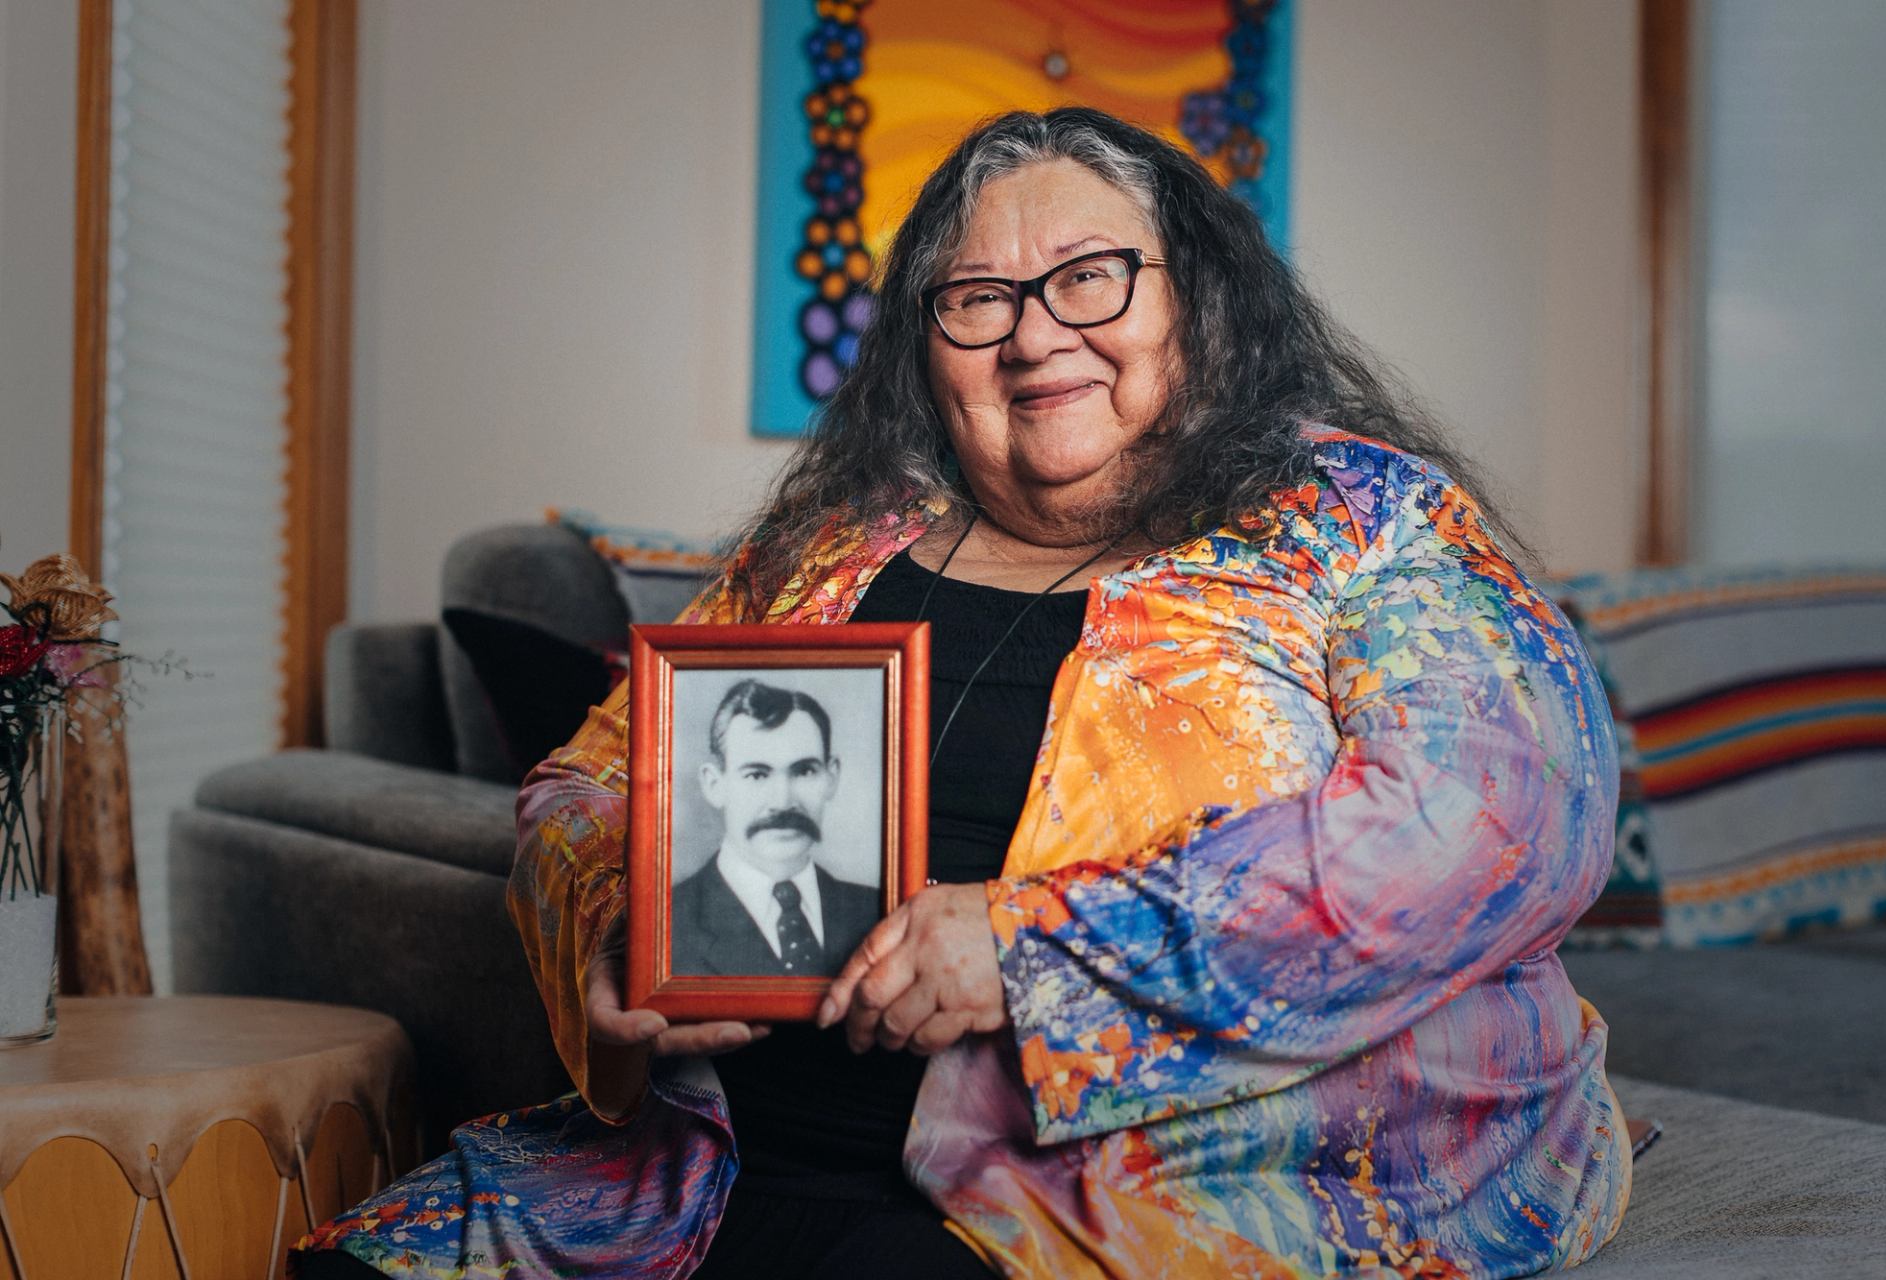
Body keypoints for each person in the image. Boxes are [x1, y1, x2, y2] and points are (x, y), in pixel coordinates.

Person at [295, 107, 1630, 1278]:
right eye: (978, 297)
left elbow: (1502, 820)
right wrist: (609, 918)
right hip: (693, 1175)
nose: (1037, 333)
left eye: (1092, 277)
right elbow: (595, 776)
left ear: (1201, 302)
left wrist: (1027, 952)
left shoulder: (1357, 517)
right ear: (926, 346)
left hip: (1122, 1199)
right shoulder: (826, 550)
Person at [672, 677, 878, 976]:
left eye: (805, 771)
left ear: (831, 777)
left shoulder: (875, 910)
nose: (783, 802)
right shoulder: (665, 922)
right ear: (714, 784)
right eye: (757, 775)